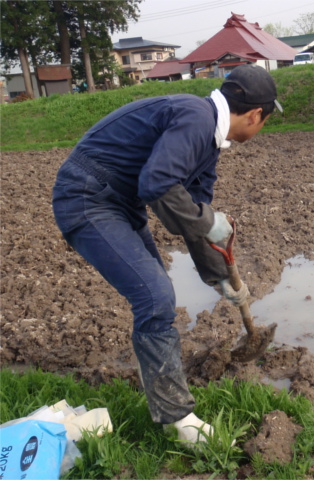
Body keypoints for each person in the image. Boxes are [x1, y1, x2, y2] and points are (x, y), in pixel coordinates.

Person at [52, 64, 282, 446]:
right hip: (87, 197)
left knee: (156, 296)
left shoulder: (207, 143)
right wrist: (208, 221)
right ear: (256, 115)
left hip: (120, 204)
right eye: (265, 122)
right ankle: (178, 421)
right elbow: (157, 184)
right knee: (155, 297)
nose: (261, 130)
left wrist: (220, 275)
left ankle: (161, 396)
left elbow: (194, 216)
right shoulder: (194, 118)